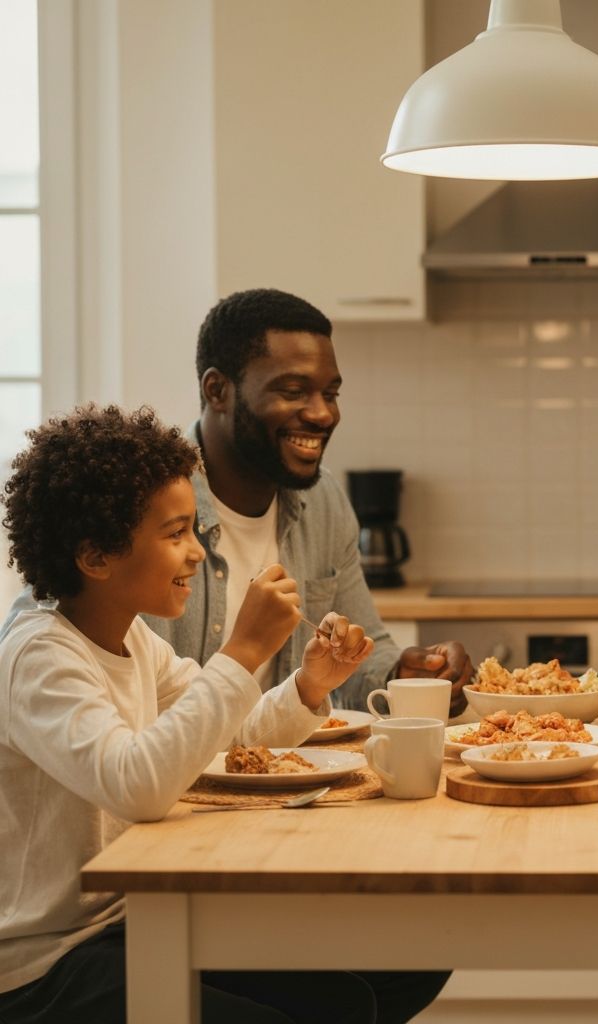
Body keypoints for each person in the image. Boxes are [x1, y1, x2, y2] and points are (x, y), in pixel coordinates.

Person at [0, 403, 446, 1023]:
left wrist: (311, 684)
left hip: (129, 921)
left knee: (358, 995)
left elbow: (228, 734)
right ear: (96, 557)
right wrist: (243, 649)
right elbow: (139, 785)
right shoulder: (39, 656)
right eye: (175, 533)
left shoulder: (132, 638)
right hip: (45, 966)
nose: (194, 553)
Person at [1, 288, 473, 716]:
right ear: (217, 390)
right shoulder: (137, 496)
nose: (323, 413)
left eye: (330, 393)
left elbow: (357, 663)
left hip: (272, 769)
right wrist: (244, 649)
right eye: (293, 391)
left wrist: (404, 676)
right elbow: (43, 627)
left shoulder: (324, 500)